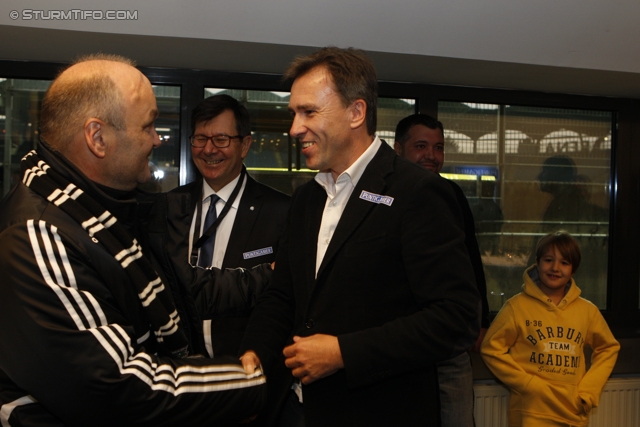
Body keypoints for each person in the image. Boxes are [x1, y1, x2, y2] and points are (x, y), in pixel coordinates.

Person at [0, 54, 267, 426]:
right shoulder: (40, 235)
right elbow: (120, 387)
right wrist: (252, 380)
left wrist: (270, 276)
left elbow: (183, 289)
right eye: (149, 126)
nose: (157, 140)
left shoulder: (107, 210)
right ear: (98, 137)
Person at [239, 47, 480, 426]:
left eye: (309, 112)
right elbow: (282, 294)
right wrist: (253, 354)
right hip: (294, 408)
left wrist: (343, 353)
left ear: (356, 112)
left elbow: (456, 318)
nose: (294, 128)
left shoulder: (417, 192)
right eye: (294, 114)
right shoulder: (306, 198)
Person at [169, 94, 290, 357]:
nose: (209, 150)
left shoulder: (281, 212)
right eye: (200, 139)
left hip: (246, 366)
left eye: (221, 139)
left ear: (245, 145)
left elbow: (285, 299)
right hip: (177, 368)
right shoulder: (169, 207)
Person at [394, 113, 490, 427]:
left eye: (438, 148)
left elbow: (470, 260)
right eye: (421, 146)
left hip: (451, 346)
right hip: (400, 341)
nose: (432, 156)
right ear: (398, 149)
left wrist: (481, 318)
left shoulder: (452, 195)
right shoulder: (383, 197)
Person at [481, 230, 619, 427]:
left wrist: (588, 392)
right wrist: (528, 384)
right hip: (530, 413)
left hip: (572, 413)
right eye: (548, 260)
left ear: (573, 269)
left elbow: (609, 348)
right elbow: (490, 348)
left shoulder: (588, 311)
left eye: (564, 262)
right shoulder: (516, 307)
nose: (555, 268)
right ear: (537, 262)